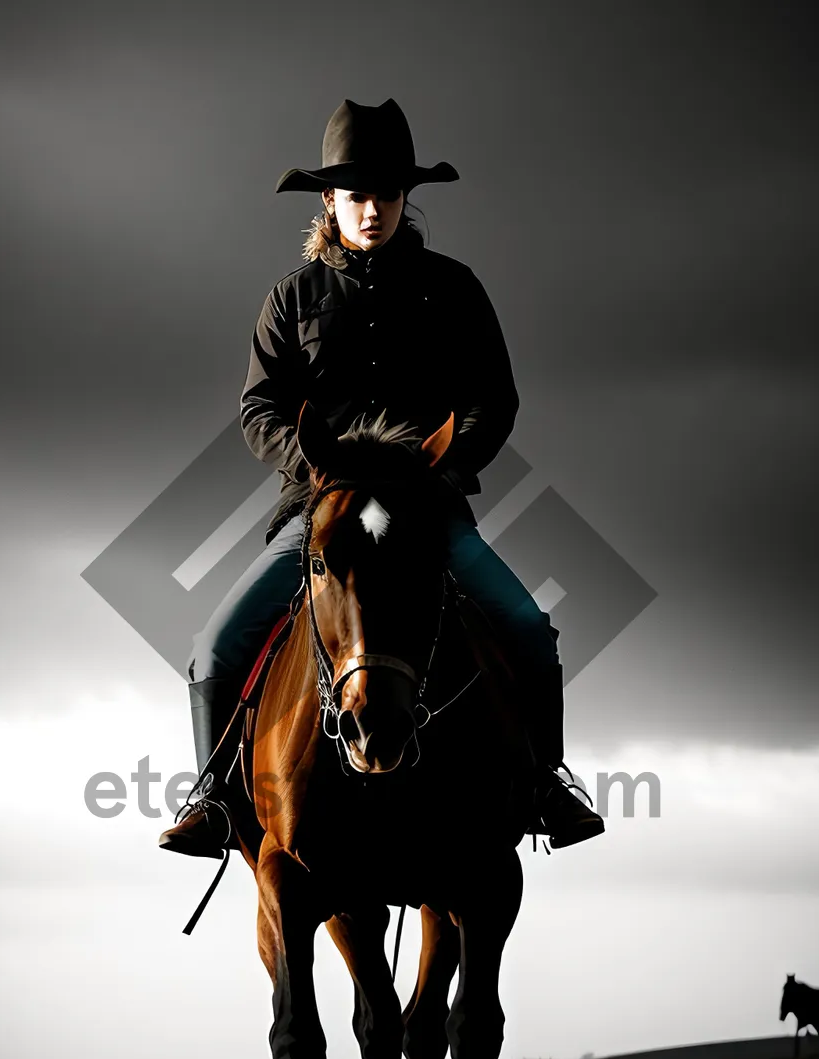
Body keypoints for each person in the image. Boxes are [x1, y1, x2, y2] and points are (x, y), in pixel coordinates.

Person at [159, 98, 603, 858]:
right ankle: (216, 803)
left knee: (530, 630)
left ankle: (546, 786)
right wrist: (324, 473)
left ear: (406, 199)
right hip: (322, 514)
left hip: (425, 514)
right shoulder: (289, 300)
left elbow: (492, 399)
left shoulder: (455, 288)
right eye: (357, 194)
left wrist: (439, 469)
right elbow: (259, 406)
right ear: (329, 200)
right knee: (216, 645)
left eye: (388, 194)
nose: (372, 208)